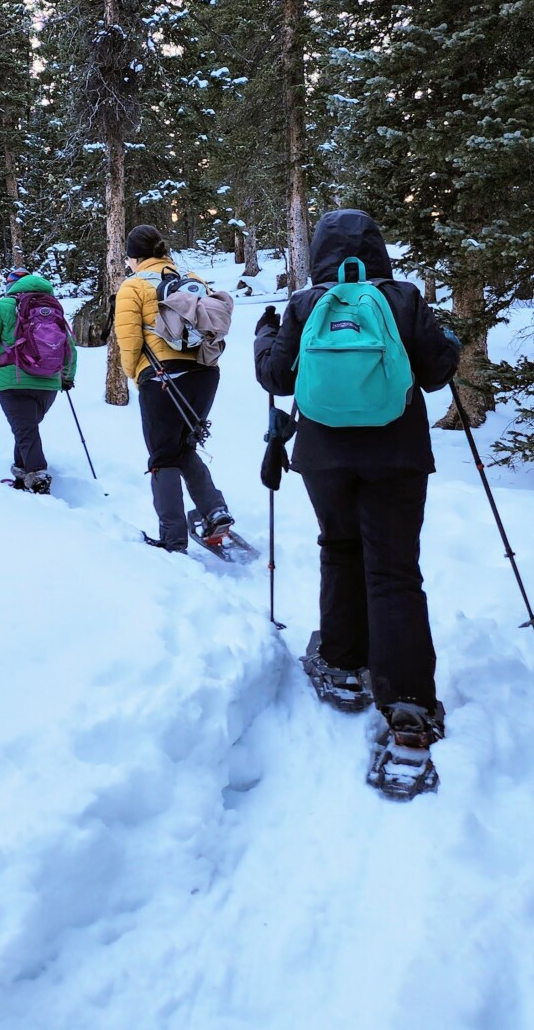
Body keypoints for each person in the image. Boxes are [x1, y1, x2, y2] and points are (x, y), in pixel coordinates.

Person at [253, 208, 460, 750]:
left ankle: (344, 660)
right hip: (398, 452)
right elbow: (438, 373)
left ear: (319, 251)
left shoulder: (306, 303)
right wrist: (447, 342)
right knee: (394, 569)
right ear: (377, 246)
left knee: (340, 548)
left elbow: (274, 376)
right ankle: (409, 699)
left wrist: (265, 336)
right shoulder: (404, 298)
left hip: (323, 454)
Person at [114, 224, 235, 553]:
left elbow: (129, 341)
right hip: (205, 374)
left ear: (135, 257)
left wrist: (136, 375)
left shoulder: (133, 286)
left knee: (163, 457)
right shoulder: (191, 278)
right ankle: (214, 511)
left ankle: (173, 538)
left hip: (162, 378)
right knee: (183, 448)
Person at [0, 266, 77, 492]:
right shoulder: (51, 307)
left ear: (10, 285)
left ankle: (38, 479)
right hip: (49, 382)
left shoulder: (2, 306)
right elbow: (69, 347)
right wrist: (66, 378)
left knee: (25, 430)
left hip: (13, 381)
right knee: (26, 429)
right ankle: (22, 476)